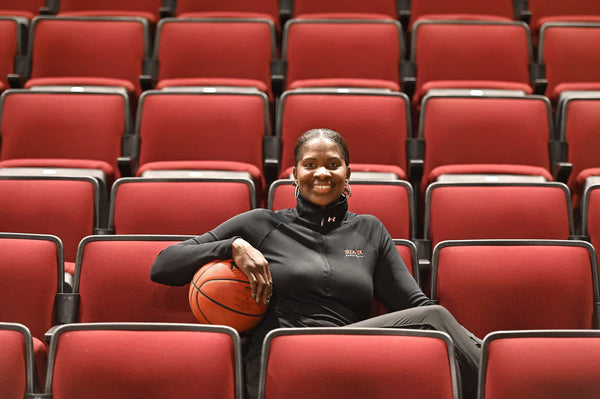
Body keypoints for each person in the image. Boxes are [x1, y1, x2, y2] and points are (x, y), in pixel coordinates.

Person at [150, 128, 481, 399]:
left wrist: (463, 341)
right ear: (294, 174)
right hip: (280, 356)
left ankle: (493, 361)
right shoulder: (260, 225)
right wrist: (231, 246)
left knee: (433, 324)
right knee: (434, 320)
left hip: (351, 354)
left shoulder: (370, 230)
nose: (322, 172)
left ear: (348, 174)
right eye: (310, 165)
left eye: (333, 164)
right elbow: (164, 265)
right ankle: (499, 370)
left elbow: (413, 305)